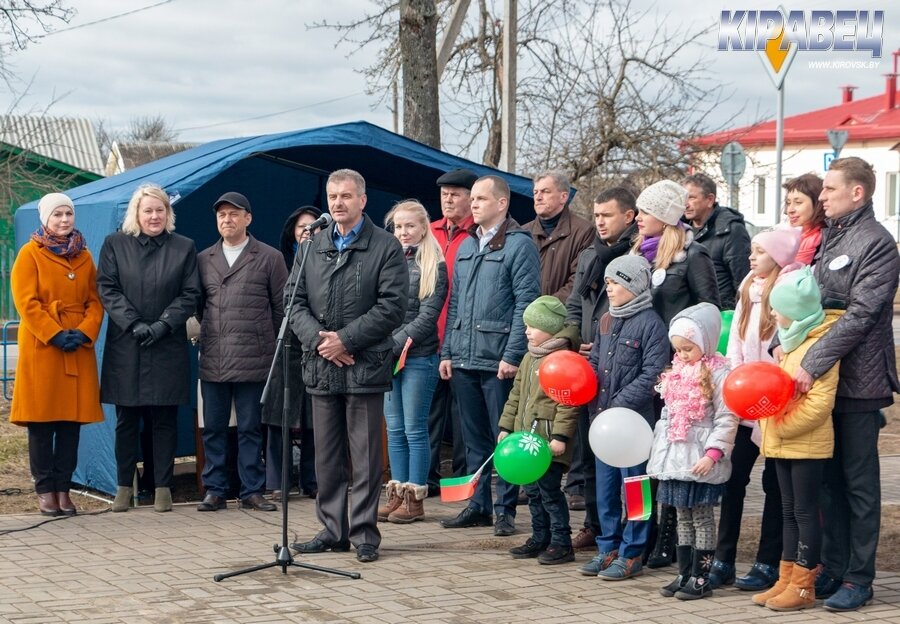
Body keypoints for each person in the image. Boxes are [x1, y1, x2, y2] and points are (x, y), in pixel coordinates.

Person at [792, 157, 900, 611]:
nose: (822, 197)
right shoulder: (830, 237)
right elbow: (811, 307)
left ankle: (859, 577)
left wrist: (811, 362)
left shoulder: (877, 243)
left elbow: (860, 314)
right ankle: (834, 569)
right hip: (825, 383)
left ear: (857, 192)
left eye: (830, 189)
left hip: (858, 383)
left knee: (858, 485)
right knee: (828, 483)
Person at [289, 169, 408, 563]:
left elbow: (393, 306)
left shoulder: (385, 246)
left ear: (362, 200)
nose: (338, 203)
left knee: (365, 457)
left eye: (346, 196)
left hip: (364, 365)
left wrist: (346, 340)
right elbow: (293, 300)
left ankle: (364, 534)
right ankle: (332, 530)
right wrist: (321, 341)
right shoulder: (312, 244)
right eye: (332, 196)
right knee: (326, 457)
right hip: (321, 365)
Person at [439, 175, 540, 537]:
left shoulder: (519, 245)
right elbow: (455, 304)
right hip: (464, 358)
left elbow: (526, 303)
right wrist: (448, 351)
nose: (474, 204)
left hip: (498, 361)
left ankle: (505, 510)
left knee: (504, 438)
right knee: (472, 439)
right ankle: (478, 506)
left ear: (501, 203)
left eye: (481, 199)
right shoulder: (468, 244)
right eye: (474, 199)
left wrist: (512, 354)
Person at [632, 179, 721, 569]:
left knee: (671, 455)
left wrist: (690, 362)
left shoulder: (692, 255)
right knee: (642, 455)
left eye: (645, 212)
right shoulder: (638, 254)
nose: (637, 218)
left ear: (665, 217)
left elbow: (710, 312)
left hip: (677, 371)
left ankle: (667, 538)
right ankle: (640, 532)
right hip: (641, 364)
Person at [97, 184, 201, 513]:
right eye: (148, 211)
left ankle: (163, 488)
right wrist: (133, 323)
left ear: (168, 213)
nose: (154, 216)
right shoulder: (115, 244)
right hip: (127, 345)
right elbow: (107, 288)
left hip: (166, 344)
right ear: (136, 214)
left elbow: (190, 293)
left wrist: (163, 324)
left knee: (163, 420)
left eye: (160, 210)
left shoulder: (184, 247)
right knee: (126, 419)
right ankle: (123, 487)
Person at [711, 228, 800, 591]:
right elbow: (735, 340)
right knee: (732, 481)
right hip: (744, 400)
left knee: (774, 485)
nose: (751, 257)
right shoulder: (748, 286)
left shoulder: (788, 290)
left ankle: (767, 561)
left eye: (760, 252)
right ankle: (722, 559)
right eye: (751, 250)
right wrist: (736, 382)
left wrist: (770, 393)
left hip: (775, 402)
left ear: (777, 258)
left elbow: (787, 350)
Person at [9, 192, 104, 516]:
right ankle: (45, 490)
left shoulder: (85, 256)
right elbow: (26, 302)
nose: (64, 220)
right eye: (57, 214)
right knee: (41, 423)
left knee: (69, 424)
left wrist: (85, 331)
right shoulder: (29, 254)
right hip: (43, 349)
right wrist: (54, 333)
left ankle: (64, 488)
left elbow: (95, 301)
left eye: (68, 214)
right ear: (45, 219)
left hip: (76, 347)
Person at [753, 267, 840, 611]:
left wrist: (780, 427)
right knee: (788, 511)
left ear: (795, 309)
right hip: (782, 442)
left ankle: (804, 587)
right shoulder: (790, 344)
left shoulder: (819, 345)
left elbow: (819, 404)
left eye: (777, 308)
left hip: (806, 444)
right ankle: (785, 579)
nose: (773, 314)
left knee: (804, 513)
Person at [195, 192, 287, 513]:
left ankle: (252, 490)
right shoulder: (203, 259)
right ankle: (215, 489)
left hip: (254, 357)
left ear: (248, 218)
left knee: (250, 428)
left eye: (234, 214)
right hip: (214, 356)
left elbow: (281, 308)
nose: (227, 219)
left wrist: (267, 344)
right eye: (221, 215)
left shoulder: (270, 257)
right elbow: (199, 307)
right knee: (214, 428)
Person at [580, 256, 668, 580]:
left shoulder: (651, 324)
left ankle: (633, 552)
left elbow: (652, 374)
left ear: (634, 285)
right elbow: (595, 362)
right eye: (608, 282)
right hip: (604, 424)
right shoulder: (606, 320)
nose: (609, 288)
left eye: (616, 282)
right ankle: (608, 548)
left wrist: (618, 404)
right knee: (605, 490)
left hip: (633, 425)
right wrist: (586, 386)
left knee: (636, 489)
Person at [648, 302, 738, 600]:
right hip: (676, 455)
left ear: (706, 342)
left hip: (700, 456)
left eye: (688, 348)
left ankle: (701, 577)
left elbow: (727, 418)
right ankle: (684, 572)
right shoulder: (676, 371)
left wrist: (713, 453)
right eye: (678, 349)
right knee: (681, 516)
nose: (682, 354)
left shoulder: (719, 374)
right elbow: (667, 414)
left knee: (701, 516)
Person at [565, 186, 638, 549]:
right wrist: (576, 339)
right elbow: (575, 304)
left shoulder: (638, 255)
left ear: (629, 216)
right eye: (596, 216)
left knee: (632, 460)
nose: (600, 222)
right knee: (591, 451)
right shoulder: (589, 255)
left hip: (626, 369)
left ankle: (637, 530)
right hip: (589, 366)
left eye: (607, 215)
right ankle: (595, 524)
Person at [524, 170, 595, 511]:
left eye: (545, 191)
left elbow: (576, 283)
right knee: (531, 401)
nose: (538, 197)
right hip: (531, 329)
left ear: (564, 196)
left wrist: (546, 314)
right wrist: (529, 318)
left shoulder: (582, 231)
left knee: (566, 406)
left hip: (563, 329)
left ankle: (575, 482)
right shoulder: (525, 232)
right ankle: (532, 473)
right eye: (535, 192)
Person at [378, 200, 448, 523]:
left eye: (409, 226)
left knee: (414, 428)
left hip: (418, 357)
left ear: (423, 228)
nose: (403, 232)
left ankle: (415, 498)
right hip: (387, 356)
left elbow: (427, 317)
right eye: (398, 226)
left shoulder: (435, 265)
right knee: (394, 429)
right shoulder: (387, 262)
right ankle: (396, 493)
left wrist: (392, 345)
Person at [498, 296, 580, 565]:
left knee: (549, 492)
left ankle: (562, 542)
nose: (527, 331)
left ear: (550, 327)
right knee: (532, 491)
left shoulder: (563, 359)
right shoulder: (529, 357)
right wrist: (506, 426)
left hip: (547, 442)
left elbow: (568, 402)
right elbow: (515, 395)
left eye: (532, 326)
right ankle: (540, 536)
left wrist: (560, 437)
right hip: (525, 441)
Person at [261, 205, 324, 499]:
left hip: (317, 345)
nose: (309, 231)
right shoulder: (280, 262)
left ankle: (313, 480)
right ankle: (278, 482)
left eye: (315, 226)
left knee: (314, 417)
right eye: (303, 227)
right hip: (284, 345)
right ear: (292, 232)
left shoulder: (331, 259)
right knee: (279, 414)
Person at [427, 169, 477, 495]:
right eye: (444, 194)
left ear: (471, 198)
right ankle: (426, 481)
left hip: (463, 339)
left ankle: (461, 484)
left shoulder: (477, 235)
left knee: (463, 418)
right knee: (429, 414)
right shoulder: (429, 232)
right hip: (428, 338)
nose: (448, 199)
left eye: (455, 194)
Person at [681, 173, 751, 309]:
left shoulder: (731, 230)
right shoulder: (679, 231)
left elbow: (743, 281)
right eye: (683, 198)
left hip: (721, 313)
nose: (686, 204)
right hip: (688, 313)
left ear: (710, 200)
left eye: (691, 198)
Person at [782, 174, 825, 266]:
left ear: (818, 204)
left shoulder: (828, 240)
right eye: (788, 203)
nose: (790, 210)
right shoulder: (784, 239)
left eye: (798, 202)